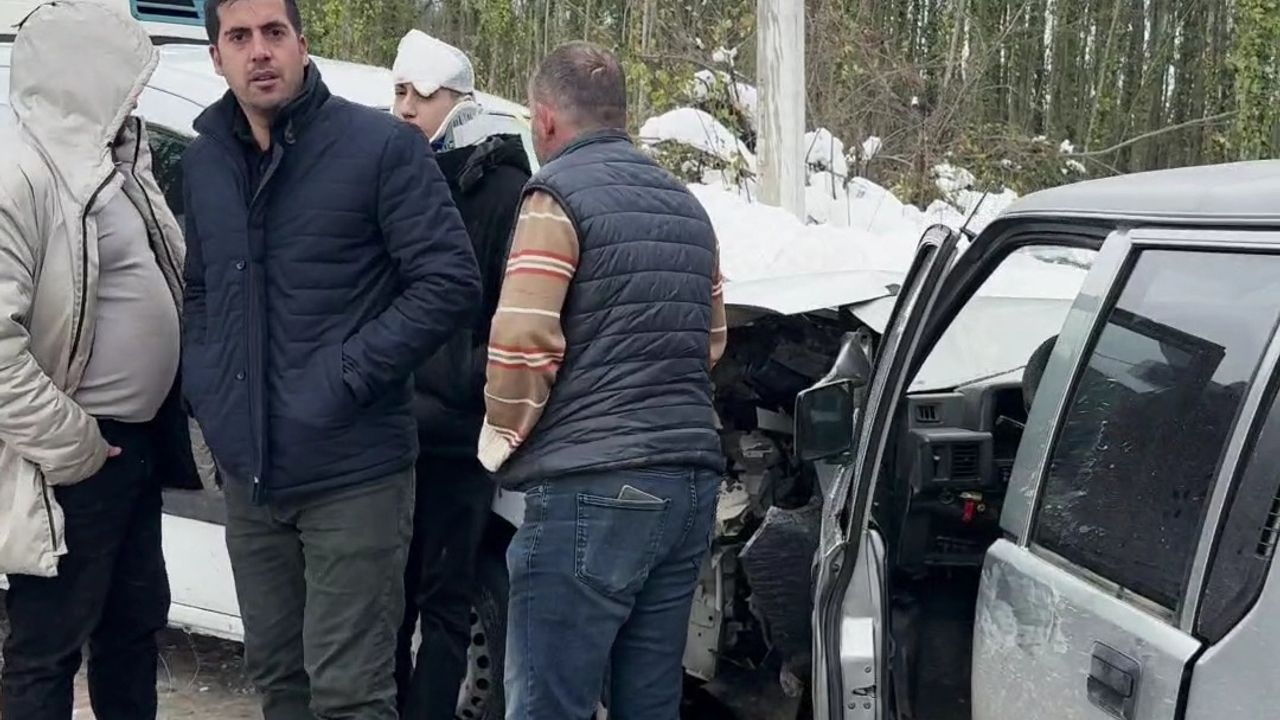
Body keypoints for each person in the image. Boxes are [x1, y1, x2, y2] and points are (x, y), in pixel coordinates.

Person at [181, 1, 481, 718]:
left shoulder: (380, 148)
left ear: (302, 44)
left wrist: (347, 375)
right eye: (239, 37)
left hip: (354, 474)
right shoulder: (205, 161)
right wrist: (210, 389)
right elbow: (201, 290)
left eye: (274, 33)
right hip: (253, 476)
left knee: (349, 694)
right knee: (280, 681)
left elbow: (449, 281)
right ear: (217, 56)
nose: (259, 51)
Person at [478, 41, 728, 720]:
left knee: (549, 702)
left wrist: (502, 439)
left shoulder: (556, 195)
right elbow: (710, 341)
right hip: (688, 486)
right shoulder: (687, 208)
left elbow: (523, 340)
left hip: (592, 488)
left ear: (544, 118)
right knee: (649, 702)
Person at [0, 2, 205, 719]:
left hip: (134, 447)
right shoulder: (19, 178)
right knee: (48, 647)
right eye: (127, 78)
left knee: (132, 628)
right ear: (85, 76)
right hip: (76, 457)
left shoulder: (116, 170)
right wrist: (77, 446)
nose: (137, 95)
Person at [389, 29, 532, 720]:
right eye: (398, 91)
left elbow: (516, 316)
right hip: (388, 434)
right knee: (384, 602)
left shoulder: (505, 191)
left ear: (459, 100)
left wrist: (453, 380)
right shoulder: (395, 176)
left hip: (457, 439)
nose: (405, 107)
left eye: (421, 94)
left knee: (445, 601)